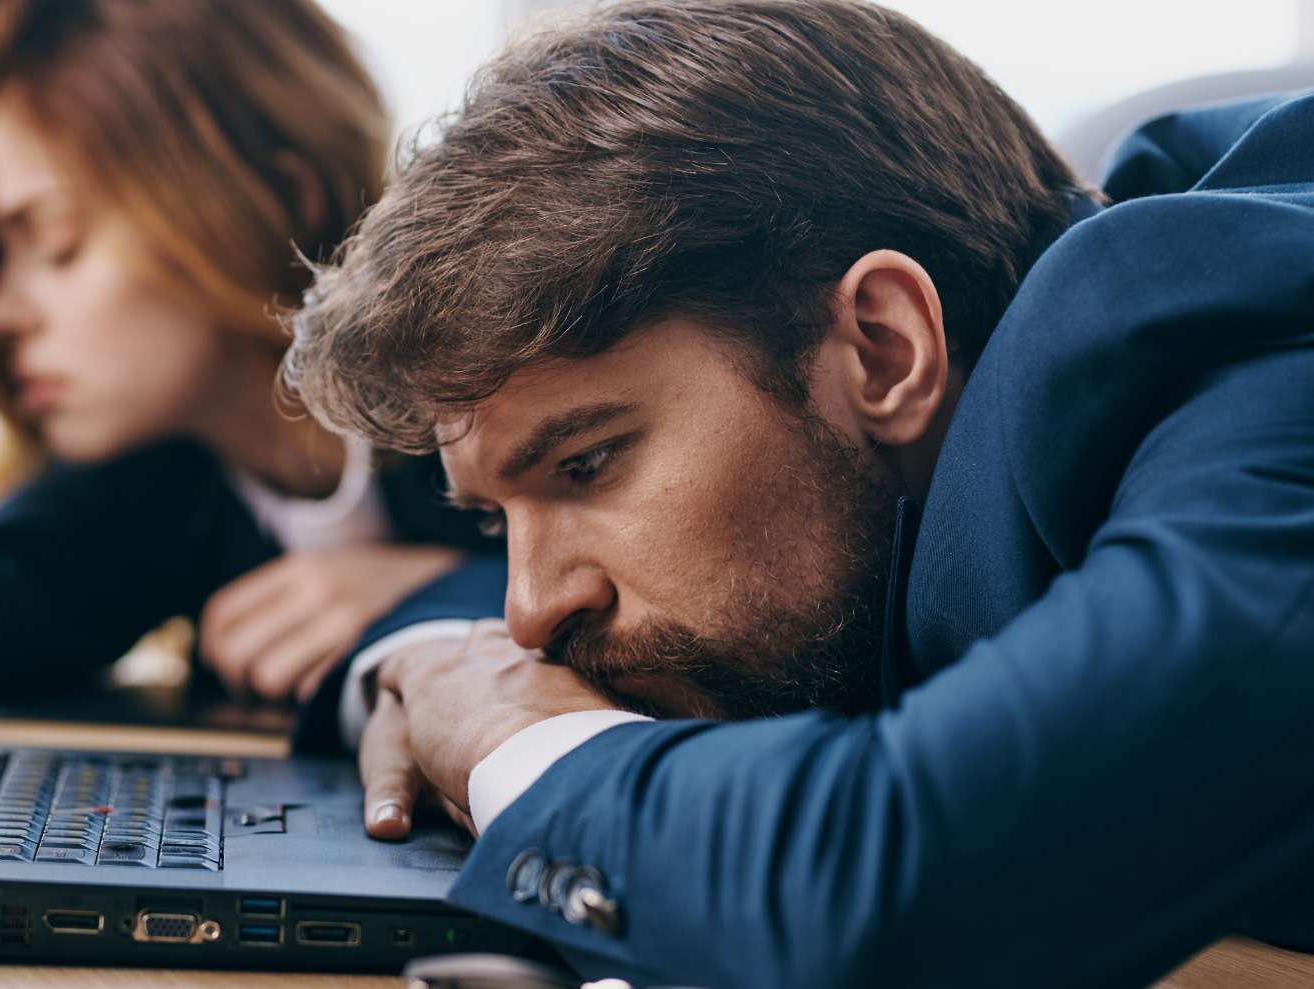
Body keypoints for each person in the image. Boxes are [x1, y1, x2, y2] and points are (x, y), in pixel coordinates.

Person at [284, 1, 1314, 985]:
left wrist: (517, 741)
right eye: (496, 517)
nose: (526, 611)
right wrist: (427, 665)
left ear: (881, 348)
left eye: (588, 464)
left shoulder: (1265, 363)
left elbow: (896, 895)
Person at [0, 0, 502, 728]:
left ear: (274, 199)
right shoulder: (151, 496)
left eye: (56, 242)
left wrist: (440, 599)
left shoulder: (498, 389)